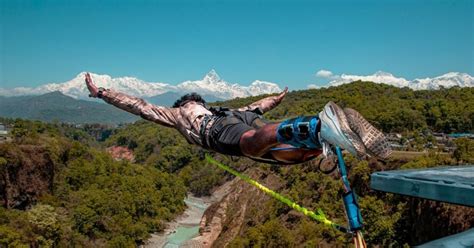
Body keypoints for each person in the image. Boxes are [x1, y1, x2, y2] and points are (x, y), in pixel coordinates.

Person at [85, 73, 391, 164]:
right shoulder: (228, 110)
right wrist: (279, 97)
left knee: (249, 144)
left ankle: (315, 125)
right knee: (286, 155)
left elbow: (139, 106)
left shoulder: (179, 113)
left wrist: (103, 93)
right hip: (238, 121)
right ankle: (324, 136)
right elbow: (260, 105)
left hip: (216, 134)